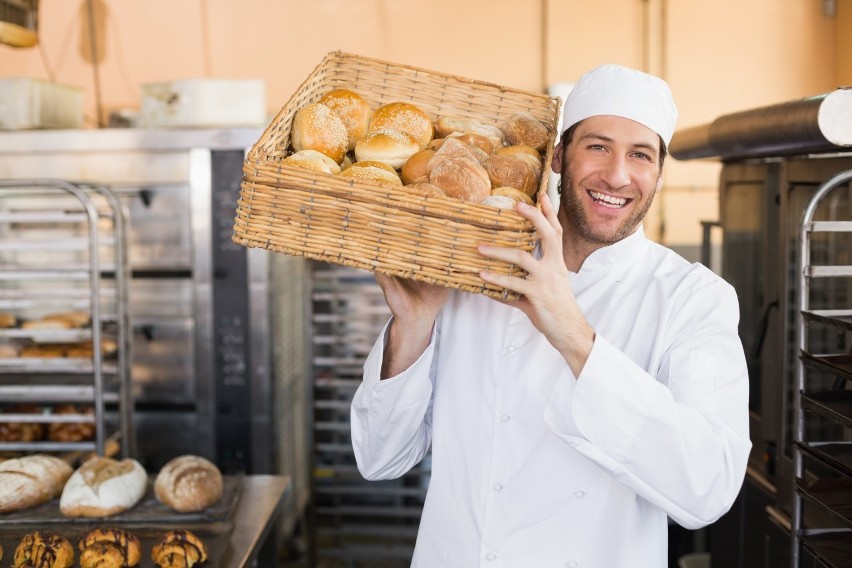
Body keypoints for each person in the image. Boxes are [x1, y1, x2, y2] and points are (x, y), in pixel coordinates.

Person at [350, 64, 751, 567]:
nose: (617, 175)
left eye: (640, 155)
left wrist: (574, 336)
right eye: (598, 146)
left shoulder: (691, 298)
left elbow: (707, 491)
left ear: (660, 174)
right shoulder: (475, 263)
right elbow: (379, 458)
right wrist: (412, 326)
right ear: (558, 155)